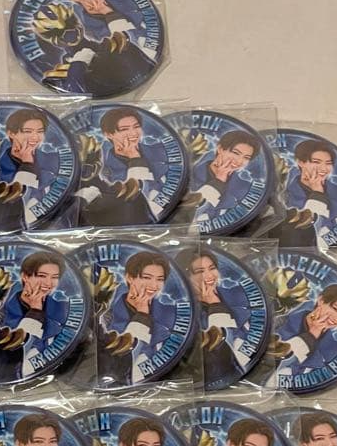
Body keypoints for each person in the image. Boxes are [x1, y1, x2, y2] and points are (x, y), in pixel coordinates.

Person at [0, 251, 73, 382]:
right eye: (42, 276)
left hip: (58, 381)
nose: (49, 283)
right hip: (15, 381)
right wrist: (35, 311)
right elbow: (12, 355)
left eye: (55, 277)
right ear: (25, 276)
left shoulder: (67, 309)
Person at [179, 248, 256, 388]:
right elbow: (222, 352)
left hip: (250, 376)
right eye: (200, 271)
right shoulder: (183, 315)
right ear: (185, 277)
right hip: (218, 385)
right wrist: (215, 306)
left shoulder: (237, 298)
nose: (209, 275)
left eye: (212, 268)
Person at [97, 250, 176, 387]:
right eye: (147, 277)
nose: (154, 285)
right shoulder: (105, 319)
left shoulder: (172, 314)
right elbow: (118, 364)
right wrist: (142, 315)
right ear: (130, 278)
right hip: (120, 388)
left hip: (165, 385)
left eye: (160, 279)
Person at [270, 283, 337, 386]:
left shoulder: (336, 351)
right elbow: (267, 368)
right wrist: (311, 335)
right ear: (321, 300)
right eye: (335, 309)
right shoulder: (278, 323)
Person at [0, 109, 61, 230]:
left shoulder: (55, 160)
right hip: (14, 232)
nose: (35, 137)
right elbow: (12, 207)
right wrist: (27, 164)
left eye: (40, 131)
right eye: (28, 131)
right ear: (11, 133)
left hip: (53, 228)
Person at [283, 139, 337, 247]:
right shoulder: (284, 197)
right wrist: (318, 194)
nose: (323, 168)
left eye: (328, 163)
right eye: (316, 162)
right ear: (300, 162)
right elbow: (306, 235)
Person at [189, 129, 262, 227]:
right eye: (235, 153)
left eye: (246, 157)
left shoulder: (246, 188)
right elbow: (187, 215)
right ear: (220, 149)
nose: (239, 161)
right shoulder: (188, 176)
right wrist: (219, 182)